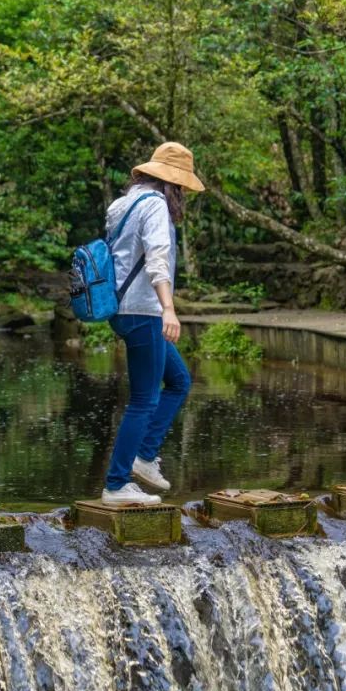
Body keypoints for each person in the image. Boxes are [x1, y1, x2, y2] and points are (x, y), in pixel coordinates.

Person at [100, 142, 204, 506]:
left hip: (121, 310)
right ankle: (115, 484)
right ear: (172, 184)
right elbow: (158, 258)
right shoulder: (156, 205)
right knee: (144, 399)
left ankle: (144, 457)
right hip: (144, 311)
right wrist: (168, 308)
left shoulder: (122, 203)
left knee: (178, 380)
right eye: (183, 189)